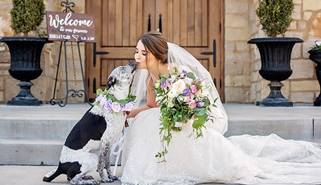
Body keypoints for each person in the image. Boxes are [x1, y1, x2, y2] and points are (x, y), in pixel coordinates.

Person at [121, 31, 321, 184]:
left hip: (187, 122)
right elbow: (151, 105)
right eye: (136, 51)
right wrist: (129, 113)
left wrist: (184, 114)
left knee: (157, 119)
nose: (137, 56)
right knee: (147, 118)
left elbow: (196, 99)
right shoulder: (150, 78)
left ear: (155, 54)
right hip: (173, 121)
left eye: (143, 53)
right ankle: (160, 164)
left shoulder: (176, 72)